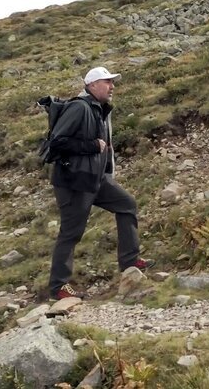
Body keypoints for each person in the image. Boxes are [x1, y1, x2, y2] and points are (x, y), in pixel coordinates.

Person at [47, 66, 155, 300]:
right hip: (74, 182)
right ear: (93, 85)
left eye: (112, 82)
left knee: (127, 204)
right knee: (71, 233)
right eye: (107, 82)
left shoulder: (100, 110)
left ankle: (129, 261)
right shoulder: (79, 107)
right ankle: (59, 287)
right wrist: (92, 146)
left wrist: (106, 168)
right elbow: (55, 144)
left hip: (96, 179)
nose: (112, 86)